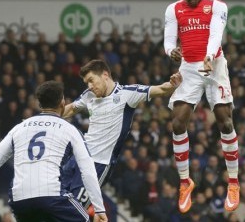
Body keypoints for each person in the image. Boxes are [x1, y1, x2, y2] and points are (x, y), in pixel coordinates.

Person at [0, 81, 108, 222]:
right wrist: (99, 209)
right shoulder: (69, 129)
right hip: (52, 196)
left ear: (39, 105)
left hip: (20, 200)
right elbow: (88, 170)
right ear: (62, 102)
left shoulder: (18, 128)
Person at [163, 0, 240, 213]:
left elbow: (216, 35)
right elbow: (168, 40)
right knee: (177, 124)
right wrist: (170, 51)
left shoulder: (217, 6)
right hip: (189, 68)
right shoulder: (173, 9)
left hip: (215, 64)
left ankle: (233, 182)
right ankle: (185, 182)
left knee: (225, 122)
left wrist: (208, 57)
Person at [62, 59, 182, 209]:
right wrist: (47, 114)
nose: (90, 86)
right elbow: (72, 108)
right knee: (55, 200)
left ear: (105, 75)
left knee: (74, 210)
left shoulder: (127, 94)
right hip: (77, 157)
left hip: (98, 164)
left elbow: (161, 89)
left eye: (91, 80)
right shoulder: (89, 95)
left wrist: (173, 84)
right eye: (87, 83)